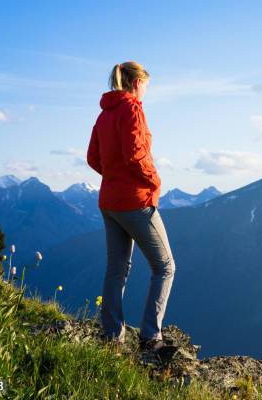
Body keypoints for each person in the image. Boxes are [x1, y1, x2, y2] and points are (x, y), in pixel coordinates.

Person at [86, 61, 175, 353]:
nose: (147, 91)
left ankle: (112, 336)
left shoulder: (104, 115)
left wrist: (113, 176)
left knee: (116, 269)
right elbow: (136, 155)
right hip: (136, 201)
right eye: (147, 85)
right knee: (165, 267)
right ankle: (151, 337)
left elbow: (93, 158)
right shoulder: (133, 109)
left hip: (109, 201)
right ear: (137, 83)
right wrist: (154, 181)